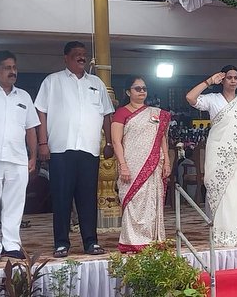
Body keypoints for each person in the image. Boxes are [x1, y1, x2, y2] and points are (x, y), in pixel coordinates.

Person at [35, 41, 114, 258]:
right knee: (61, 198)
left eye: (83, 54)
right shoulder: (52, 81)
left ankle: (91, 242)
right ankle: (61, 243)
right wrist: (43, 143)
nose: (81, 57)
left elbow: (107, 114)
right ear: (66, 58)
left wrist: (108, 143)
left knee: (88, 198)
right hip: (61, 149)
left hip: (89, 149)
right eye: (76, 54)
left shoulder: (96, 83)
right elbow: (40, 112)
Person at [187, 66, 237, 247]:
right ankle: (223, 231)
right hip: (218, 152)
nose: (232, 80)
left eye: (235, 77)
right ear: (222, 80)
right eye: (228, 77)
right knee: (220, 190)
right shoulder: (213, 100)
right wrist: (209, 81)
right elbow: (190, 98)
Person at [0, 51, 40, 262]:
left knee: (15, 203)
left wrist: (33, 157)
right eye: (7, 68)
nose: (12, 72)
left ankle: (12, 244)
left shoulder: (23, 96)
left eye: (14, 67)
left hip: (17, 158)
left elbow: (31, 129)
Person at [110, 76, 171, 253]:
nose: (142, 91)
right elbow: (116, 141)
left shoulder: (155, 112)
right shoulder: (122, 113)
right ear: (128, 92)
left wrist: (166, 160)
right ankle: (132, 240)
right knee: (133, 200)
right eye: (137, 89)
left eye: (144, 88)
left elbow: (162, 139)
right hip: (131, 164)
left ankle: (152, 239)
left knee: (152, 200)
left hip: (153, 165)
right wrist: (123, 165)